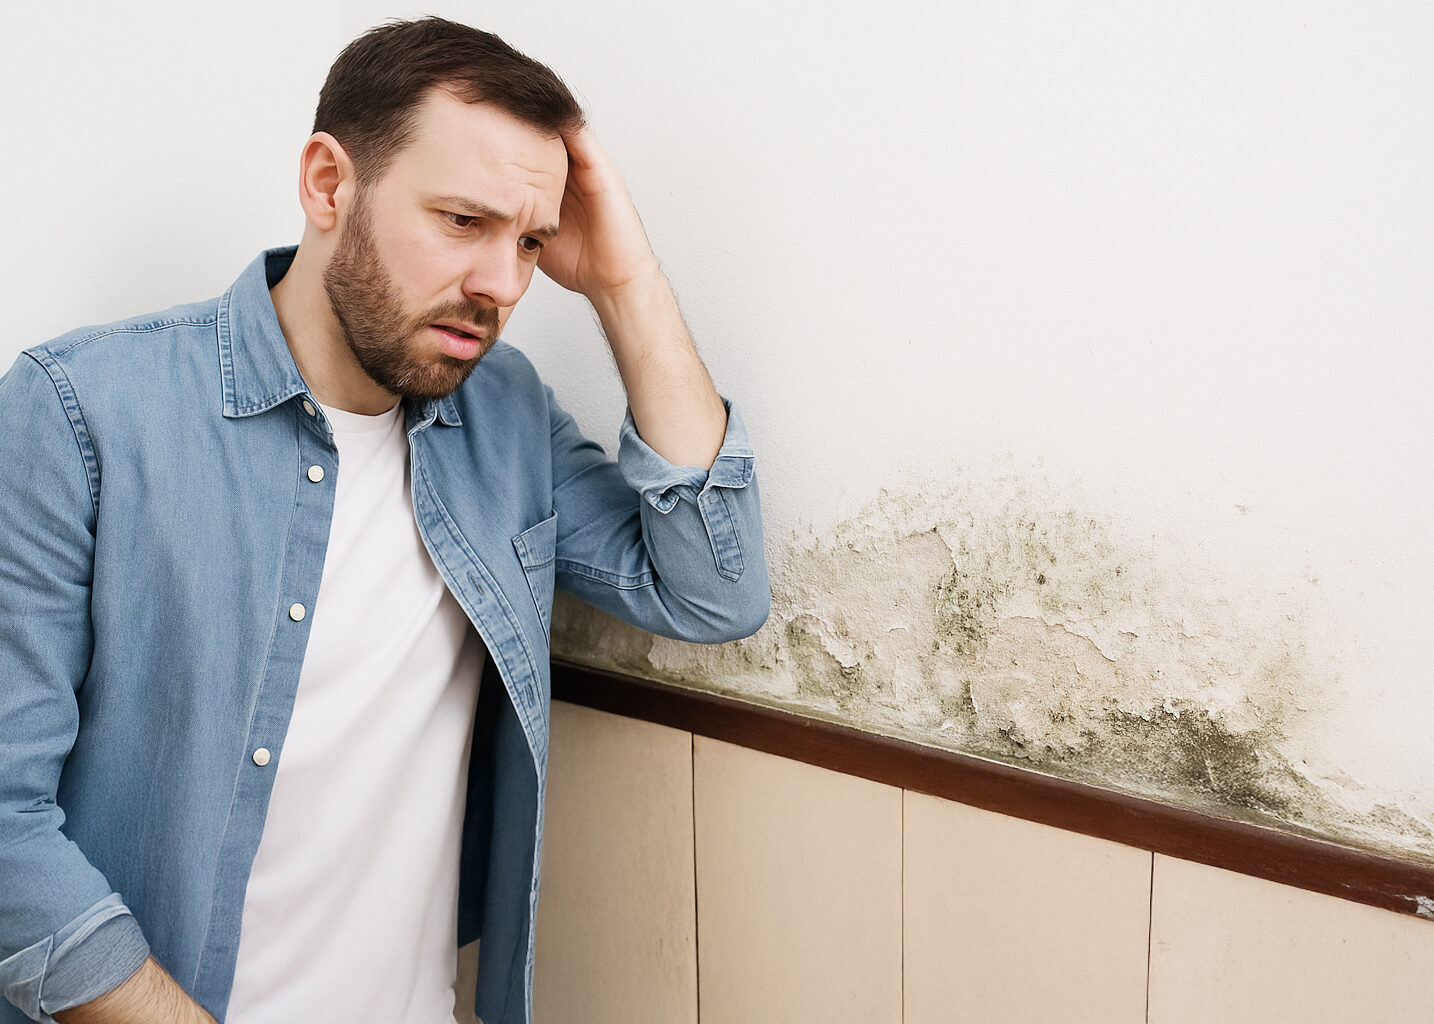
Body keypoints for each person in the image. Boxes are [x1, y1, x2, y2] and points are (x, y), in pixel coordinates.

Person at [0, 17, 767, 1024]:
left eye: (529, 242)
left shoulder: (507, 419)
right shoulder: (80, 412)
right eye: (462, 221)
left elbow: (713, 589)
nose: (501, 284)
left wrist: (624, 284)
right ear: (329, 184)